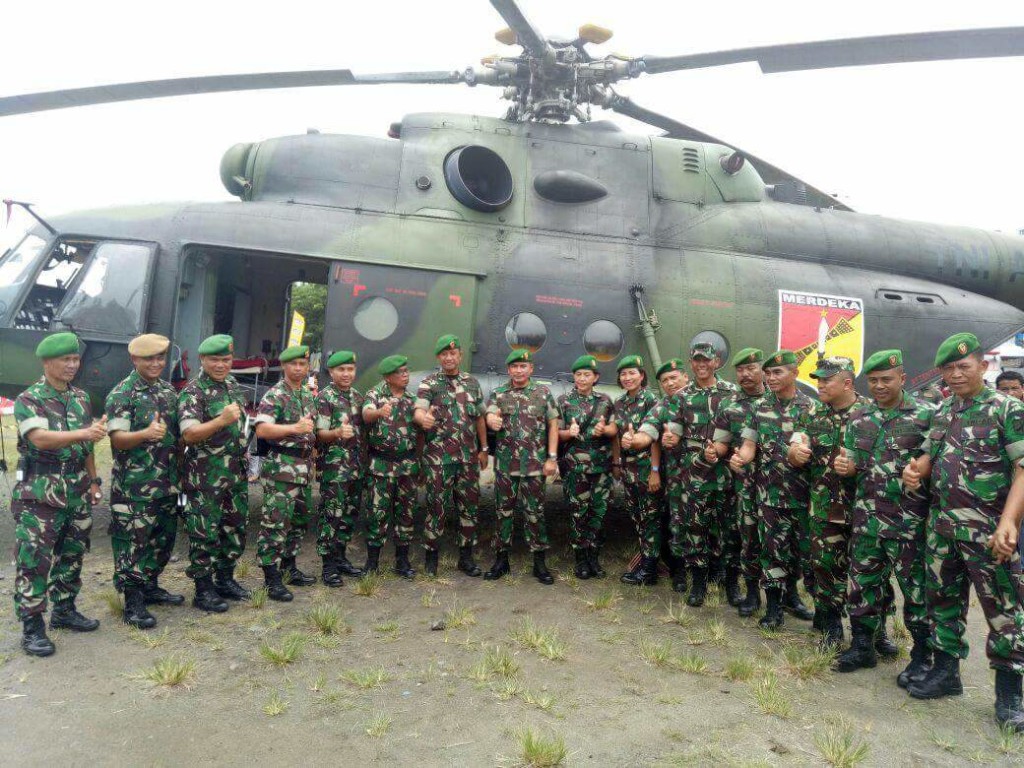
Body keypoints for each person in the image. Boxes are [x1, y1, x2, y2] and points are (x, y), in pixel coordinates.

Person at [903, 333, 1024, 731]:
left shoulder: (1006, 409)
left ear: (982, 367)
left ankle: (1010, 694)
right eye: (948, 369)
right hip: (942, 528)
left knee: (1003, 611)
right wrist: (914, 469)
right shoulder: (941, 411)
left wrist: (1009, 522)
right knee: (943, 604)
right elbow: (927, 454)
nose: (955, 374)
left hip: (988, 531)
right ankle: (946, 673)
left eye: (963, 366)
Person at [831, 349, 932, 684]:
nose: (879, 386)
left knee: (916, 592)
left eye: (886, 379)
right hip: (868, 520)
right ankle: (863, 647)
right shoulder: (859, 417)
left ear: (902, 378)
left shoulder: (925, 415)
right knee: (862, 586)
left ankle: (922, 657)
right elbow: (854, 462)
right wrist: (846, 467)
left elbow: (939, 464)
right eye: (873, 380)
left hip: (909, 523)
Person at [12, 332, 105, 657]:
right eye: (64, 360)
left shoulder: (80, 397)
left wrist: (95, 481)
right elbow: (39, 438)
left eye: (75, 359)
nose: (71, 365)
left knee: (72, 555)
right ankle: (32, 628)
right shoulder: (29, 399)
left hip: (77, 490)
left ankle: (64, 610)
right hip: (40, 494)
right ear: (46, 362)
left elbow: (87, 446)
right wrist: (84, 432)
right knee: (34, 561)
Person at [787, 356, 867, 649]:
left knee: (868, 573)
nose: (820, 385)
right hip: (824, 507)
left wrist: (859, 467)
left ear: (847, 383)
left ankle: (874, 633)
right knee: (825, 567)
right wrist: (794, 452)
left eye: (826, 380)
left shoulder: (869, 414)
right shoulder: (813, 413)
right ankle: (832, 627)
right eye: (818, 379)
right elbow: (797, 440)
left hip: (863, 510)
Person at [731, 349, 815, 629]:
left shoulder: (811, 409)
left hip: (803, 496)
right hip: (769, 496)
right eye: (768, 373)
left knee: (799, 552)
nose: (771, 377)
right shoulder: (759, 408)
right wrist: (740, 457)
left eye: (777, 372)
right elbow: (749, 445)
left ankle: (792, 595)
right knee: (772, 551)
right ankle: (774, 608)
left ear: (795, 373)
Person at [105, 333, 183, 630]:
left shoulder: (168, 391)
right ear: (134, 360)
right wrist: (144, 435)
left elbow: (177, 436)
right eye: (148, 358)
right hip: (134, 487)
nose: (155, 363)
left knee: (162, 539)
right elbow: (118, 439)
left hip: (166, 482)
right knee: (132, 544)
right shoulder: (122, 394)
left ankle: (150, 585)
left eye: (160, 358)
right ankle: (133, 601)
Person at [178, 334, 251, 613]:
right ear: (203, 360)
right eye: (215, 360)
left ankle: (225, 579)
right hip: (205, 476)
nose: (221, 365)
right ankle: (203, 589)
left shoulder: (232, 386)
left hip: (234, 473)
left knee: (234, 527)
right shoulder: (193, 392)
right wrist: (221, 420)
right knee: (204, 531)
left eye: (226, 359)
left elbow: (241, 429)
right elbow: (189, 433)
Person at [666, 342, 738, 606]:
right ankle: (698, 582)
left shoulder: (732, 393)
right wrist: (669, 437)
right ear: (691, 362)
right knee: (696, 528)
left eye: (706, 360)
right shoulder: (683, 397)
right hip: (695, 474)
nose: (701, 364)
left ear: (716, 362)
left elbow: (741, 428)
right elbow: (674, 430)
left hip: (726, 473)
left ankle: (730, 582)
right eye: (696, 360)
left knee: (729, 529)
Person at [413, 335, 488, 577]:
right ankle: (431, 558)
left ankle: (466, 559)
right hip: (439, 459)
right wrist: (422, 418)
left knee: (469, 508)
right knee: (437, 507)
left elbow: (479, 418)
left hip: (467, 459)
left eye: (453, 353)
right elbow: (419, 409)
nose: (449, 357)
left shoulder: (472, 383)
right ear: (438, 357)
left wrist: (484, 448)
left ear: (460, 355)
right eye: (444, 354)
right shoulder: (429, 383)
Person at [483, 349, 560, 585]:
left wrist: (552, 458)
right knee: (502, 513)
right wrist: (490, 419)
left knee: (535, 514)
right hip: (506, 466)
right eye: (514, 367)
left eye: (523, 366)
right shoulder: (498, 393)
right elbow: (489, 414)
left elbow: (553, 426)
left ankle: (539, 563)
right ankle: (501, 560)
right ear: (509, 370)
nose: (518, 370)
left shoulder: (543, 393)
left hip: (534, 466)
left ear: (531, 369)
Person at [254, 344, 317, 601]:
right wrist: (295, 427)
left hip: (303, 469)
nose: (299, 368)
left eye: (303, 364)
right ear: (284, 366)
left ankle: (289, 568)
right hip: (281, 468)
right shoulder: (275, 395)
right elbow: (262, 430)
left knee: (299, 521)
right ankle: (271, 578)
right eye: (294, 364)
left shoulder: (307, 393)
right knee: (275, 522)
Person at [708, 348, 767, 616]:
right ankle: (744, 590)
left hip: (778, 486)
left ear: (762, 370)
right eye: (740, 370)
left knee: (781, 541)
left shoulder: (779, 401)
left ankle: (788, 595)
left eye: (750, 368)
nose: (745, 374)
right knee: (739, 537)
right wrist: (714, 452)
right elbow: (721, 443)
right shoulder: (728, 404)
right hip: (740, 484)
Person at [623, 358, 689, 592]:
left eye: (674, 378)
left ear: (685, 377)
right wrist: (633, 441)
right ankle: (673, 571)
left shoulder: (701, 402)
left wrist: (652, 470)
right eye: (665, 380)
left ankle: (714, 573)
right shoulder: (662, 406)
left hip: (702, 475)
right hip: (672, 475)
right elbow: (648, 433)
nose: (670, 383)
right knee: (674, 522)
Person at [557, 355, 616, 579]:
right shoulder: (563, 400)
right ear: (574, 377)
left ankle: (594, 557)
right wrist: (568, 433)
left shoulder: (605, 401)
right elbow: (556, 433)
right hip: (576, 468)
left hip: (601, 468)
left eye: (587, 375)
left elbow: (614, 431)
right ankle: (580, 559)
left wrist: (605, 431)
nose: (582, 378)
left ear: (596, 377)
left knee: (598, 512)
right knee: (578, 513)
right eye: (579, 374)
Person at [362, 355, 419, 579]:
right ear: (388, 377)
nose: (406, 375)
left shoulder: (413, 399)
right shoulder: (375, 395)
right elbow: (366, 414)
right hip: (381, 465)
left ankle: (402, 561)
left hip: (406, 465)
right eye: (401, 372)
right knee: (377, 513)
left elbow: (421, 432)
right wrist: (378, 412)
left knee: (406, 514)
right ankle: (372, 561)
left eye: (407, 371)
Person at [315, 350, 366, 587]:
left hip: (355, 467)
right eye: (341, 370)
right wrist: (337, 433)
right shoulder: (326, 397)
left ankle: (341, 557)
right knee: (332, 515)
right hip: (335, 468)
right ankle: (328, 567)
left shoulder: (357, 396)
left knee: (349, 514)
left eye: (350, 369)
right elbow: (319, 434)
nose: (346, 374)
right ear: (332, 372)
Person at [612, 355, 661, 586]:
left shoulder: (652, 400)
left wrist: (654, 470)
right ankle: (646, 560)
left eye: (632, 373)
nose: (628, 377)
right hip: (629, 469)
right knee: (637, 517)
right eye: (623, 374)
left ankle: (649, 571)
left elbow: (656, 439)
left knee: (650, 518)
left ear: (642, 376)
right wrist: (618, 463)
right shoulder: (620, 403)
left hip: (646, 468)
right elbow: (618, 436)